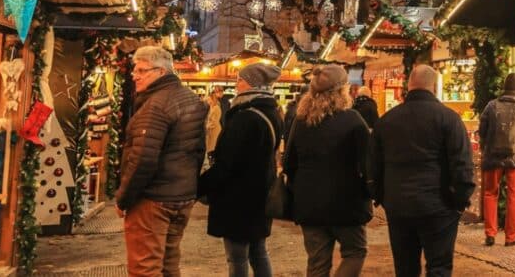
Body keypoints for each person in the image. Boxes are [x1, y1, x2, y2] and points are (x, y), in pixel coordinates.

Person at [375, 64, 475, 277]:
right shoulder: (449, 118)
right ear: (434, 86)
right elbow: (462, 163)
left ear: (409, 85)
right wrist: (459, 201)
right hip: (438, 205)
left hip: (398, 205)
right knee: (439, 266)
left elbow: (374, 164)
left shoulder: (387, 121)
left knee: (405, 267)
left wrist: (382, 197)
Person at [117, 46, 208, 277]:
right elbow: (198, 150)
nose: (134, 75)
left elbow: (143, 159)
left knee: (145, 268)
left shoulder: (155, 105)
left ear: (160, 72)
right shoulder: (190, 98)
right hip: (181, 197)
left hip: (153, 199)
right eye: (134, 70)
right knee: (168, 265)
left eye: (141, 70)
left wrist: (124, 198)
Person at [283, 65, 374, 277]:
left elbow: (289, 162)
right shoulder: (352, 120)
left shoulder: (301, 120)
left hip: (309, 203)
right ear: (343, 90)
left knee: (317, 263)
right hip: (347, 203)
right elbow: (367, 163)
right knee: (355, 252)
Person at [199, 63, 283, 277]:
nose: (236, 84)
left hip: (239, 197)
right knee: (258, 251)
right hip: (260, 191)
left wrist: (201, 186)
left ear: (252, 84)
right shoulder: (270, 111)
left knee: (237, 256)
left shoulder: (246, 117)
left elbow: (228, 162)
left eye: (240, 80)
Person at [477, 73, 515, 247]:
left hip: (492, 158)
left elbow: (482, 131)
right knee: (514, 195)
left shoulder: (491, 106)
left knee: (490, 193)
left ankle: (490, 234)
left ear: (504, 88)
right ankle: (511, 237)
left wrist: (489, 143)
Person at [205, 86, 224, 160]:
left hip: (214, 129)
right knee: (211, 148)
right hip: (213, 128)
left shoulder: (217, 105)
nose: (222, 94)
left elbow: (214, 120)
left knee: (212, 148)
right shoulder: (211, 102)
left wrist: (206, 126)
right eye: (221, 92)